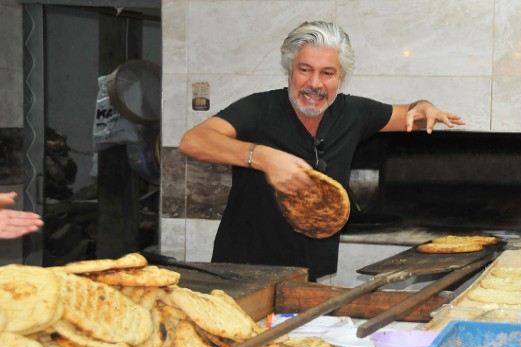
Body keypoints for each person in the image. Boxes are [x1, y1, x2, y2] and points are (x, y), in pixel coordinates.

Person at [179, 20, 465, 281]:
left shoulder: (352, 113)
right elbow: (194, 141)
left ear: (341, 78)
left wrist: (423, 105)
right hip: (242, 272)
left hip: (309, 274)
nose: (314, 84)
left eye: (327, 73)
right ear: (290, 70)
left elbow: (410, 114)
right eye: (305, 70)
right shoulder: (259, 109)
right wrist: (262, 156)